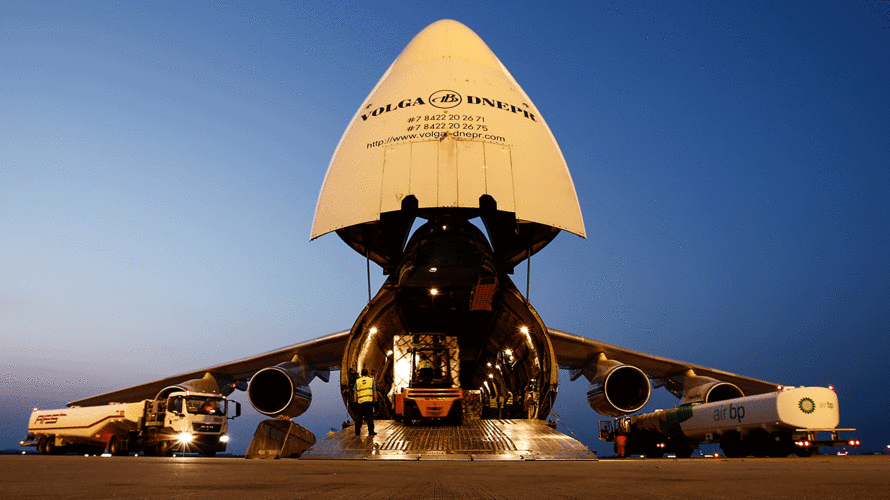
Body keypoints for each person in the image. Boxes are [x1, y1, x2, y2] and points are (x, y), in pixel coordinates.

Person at [353, 368, 377, 436]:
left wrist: (355, 401)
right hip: (369, 401)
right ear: (367, 373)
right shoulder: (372, 380)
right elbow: (374, 391)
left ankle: (357, 432)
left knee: (359, 417)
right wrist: (375, 400)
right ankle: (371, 431)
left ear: (361, 374)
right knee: (369, 417)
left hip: (360, 402)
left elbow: (355, 392)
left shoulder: (357, 381)